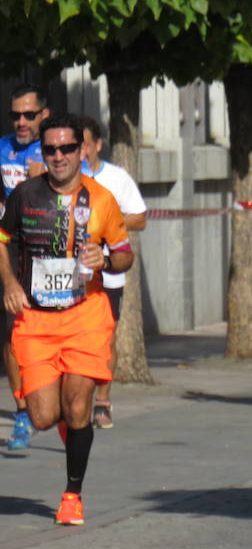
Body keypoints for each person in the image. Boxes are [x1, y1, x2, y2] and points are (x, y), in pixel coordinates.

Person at [0, 113, 133, 525]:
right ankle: (73, 431)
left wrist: (106, 258)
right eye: (51, 149)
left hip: (85, 315)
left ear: (83, 150)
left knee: (78, 405)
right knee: (42, 415)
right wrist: (8, 283)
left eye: (67, 148)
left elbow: (125, 253)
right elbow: (1, 242)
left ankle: (72, 495)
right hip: (36, 321)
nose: (58, 156)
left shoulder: (103, 200)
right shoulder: (24, 195)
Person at [80, 116, 147, 428]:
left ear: (97, 145)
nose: (75, 150)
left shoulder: (116, 178)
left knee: (106, 338)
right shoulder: (60, 178)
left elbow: (140, 218)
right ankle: (74, 401)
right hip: (69, 274)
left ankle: (103, 402)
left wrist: (110, 219)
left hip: (107, 273)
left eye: (82, 143)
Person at [0, 83, 50, 450]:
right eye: (15, 114)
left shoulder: (56, 151)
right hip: (8, 248)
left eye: (28, 114)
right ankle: (21, 413)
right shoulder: (2, 148)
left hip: (47, 250)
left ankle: (56, 401)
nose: (21, 121)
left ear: (43, 115)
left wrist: (45, 176)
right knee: (9, 334)